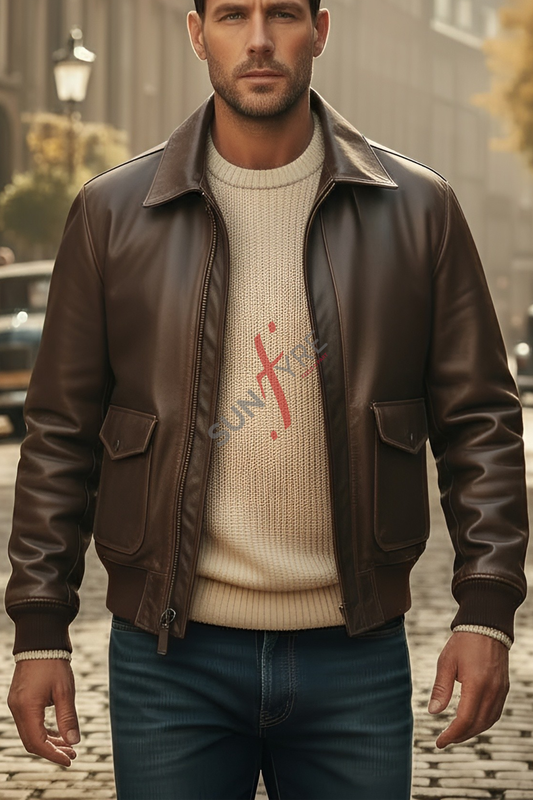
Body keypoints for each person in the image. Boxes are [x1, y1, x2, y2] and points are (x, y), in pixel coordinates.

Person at [4, 0, 529, 798]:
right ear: (195, 32)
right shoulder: (111, 213)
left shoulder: (418, 211)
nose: (256, 40)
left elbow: (480, 426)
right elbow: (59, 433)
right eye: (230, 16)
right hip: (167, 661)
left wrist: (485, 609)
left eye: (281, 14)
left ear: (319, 30)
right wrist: (39, 629)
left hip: (355, 651)